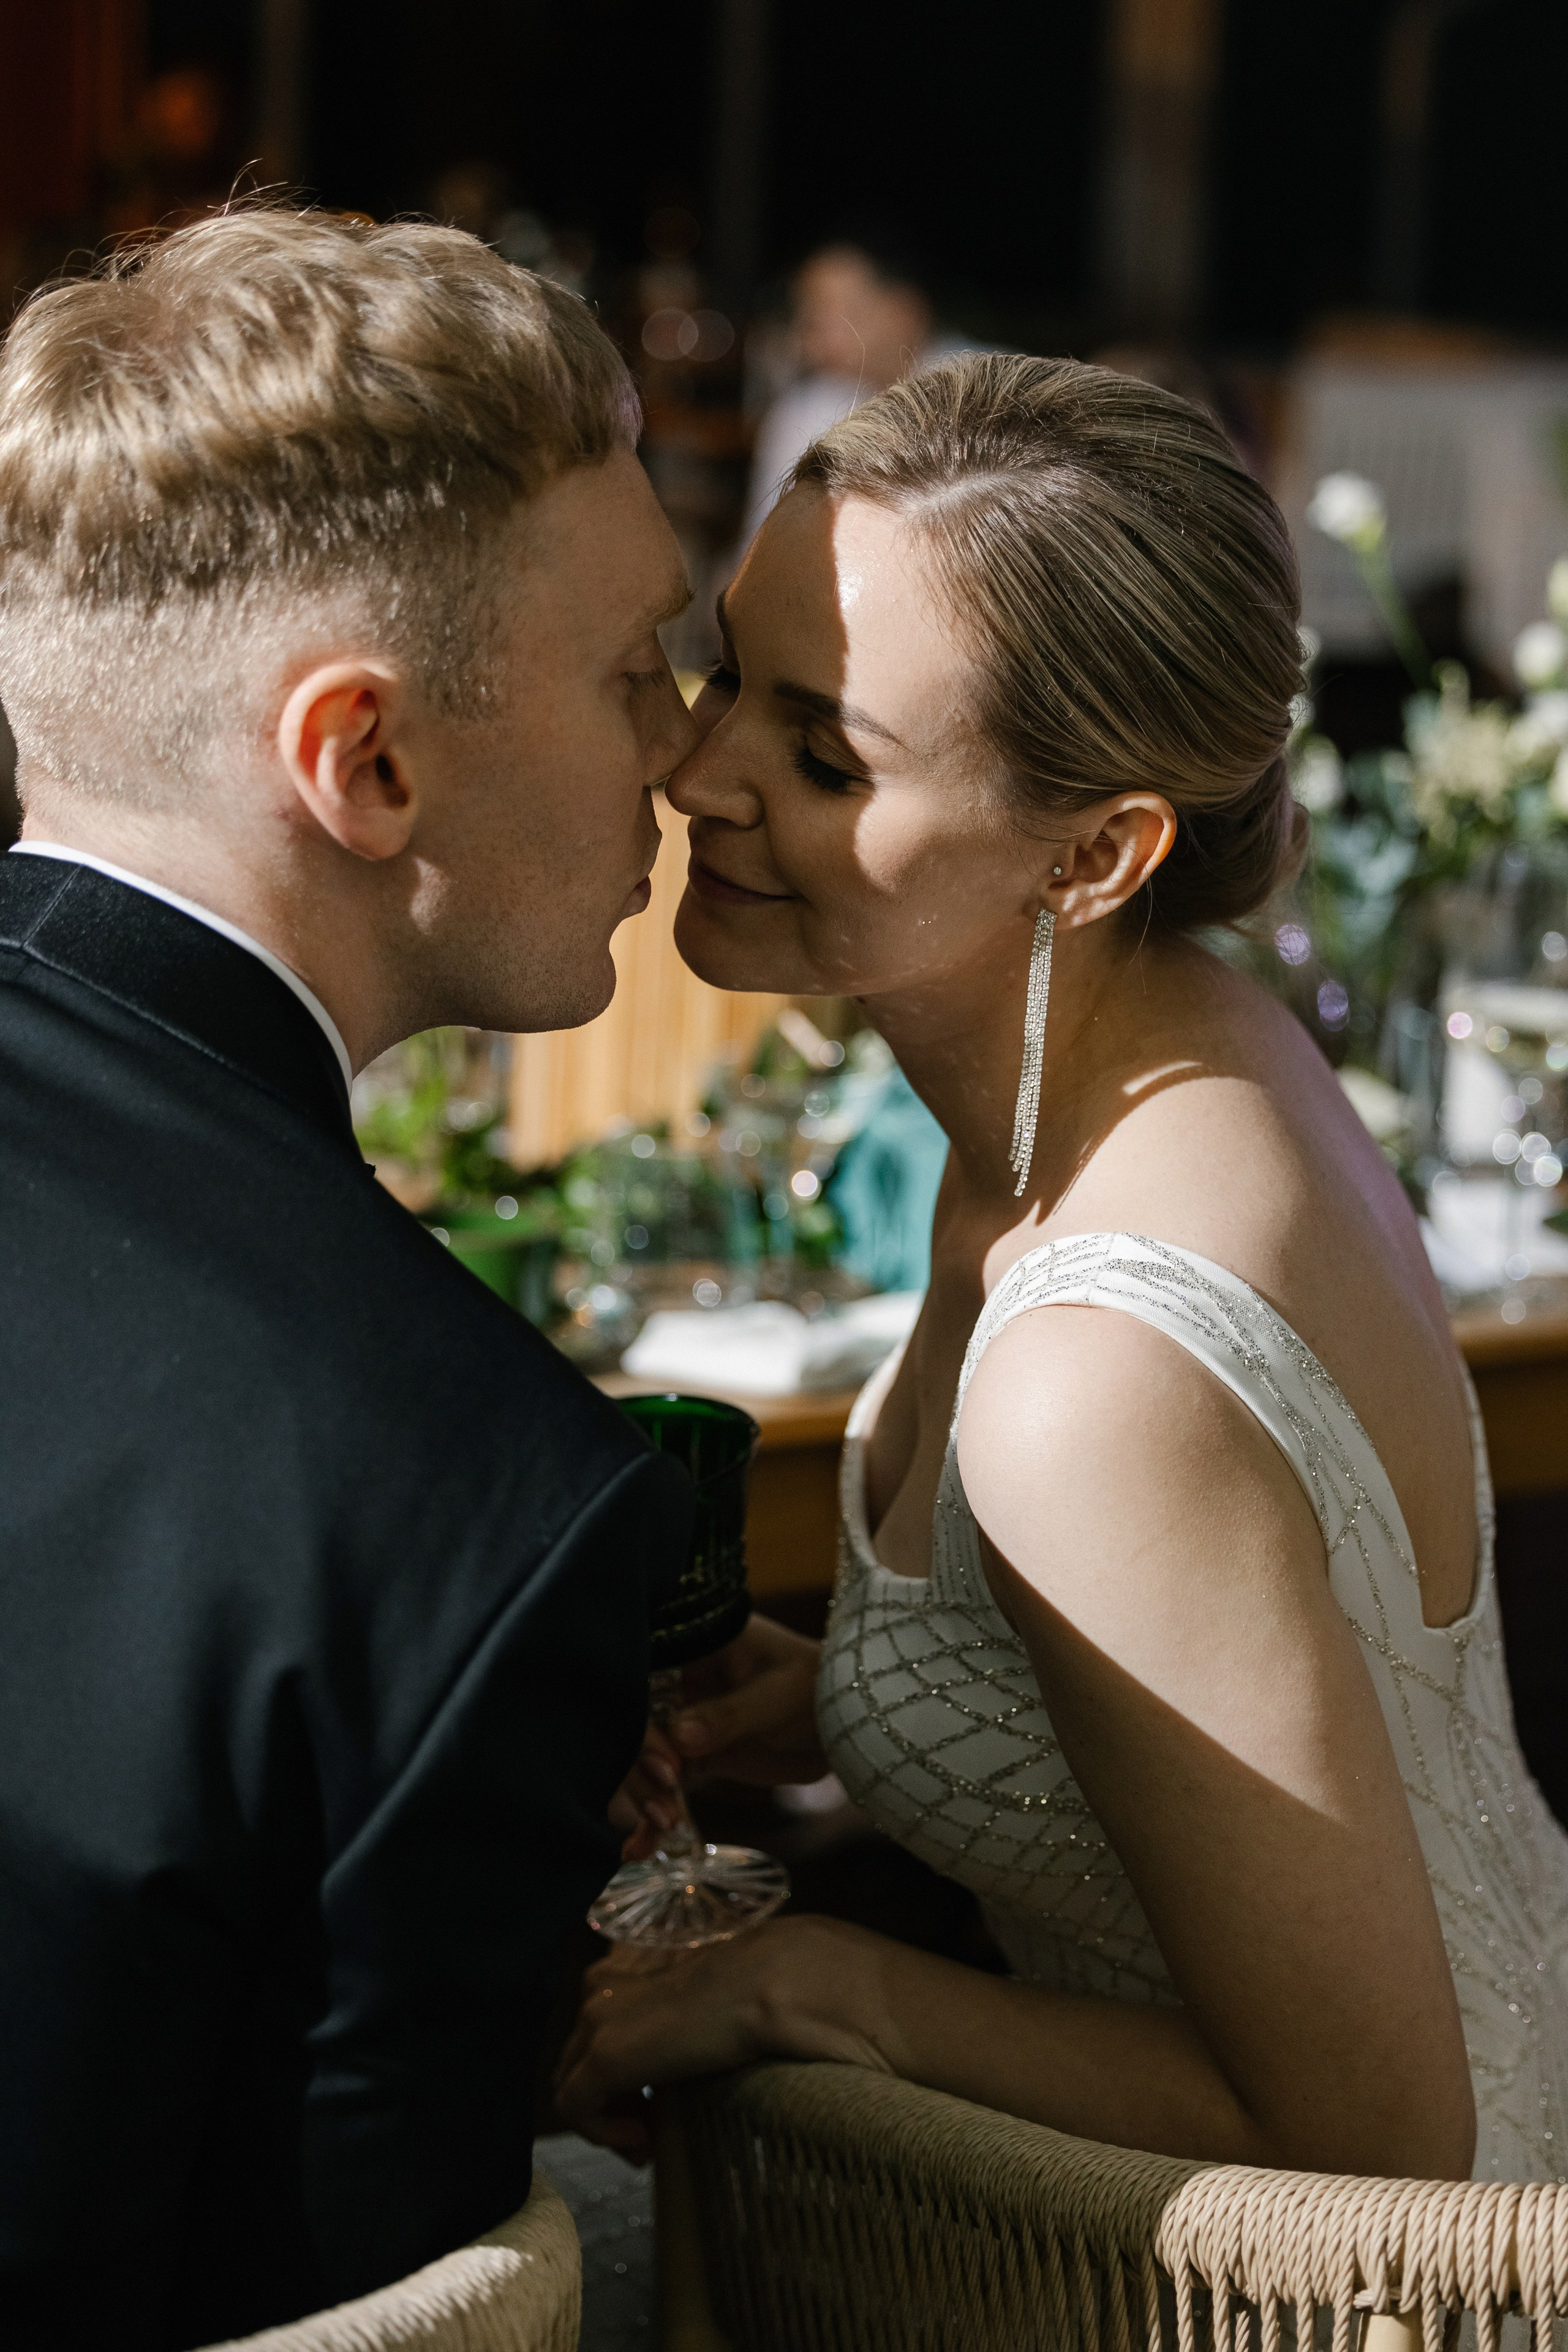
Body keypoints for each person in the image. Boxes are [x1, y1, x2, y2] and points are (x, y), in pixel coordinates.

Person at [557, 354, 1568, 2187]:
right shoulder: (1155, 1041)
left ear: (1096, 852)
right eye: (722, 670)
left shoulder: (1097, 1365)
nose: (695, 770)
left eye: (821, 750)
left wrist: (803, 1985)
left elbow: (1371, 2132)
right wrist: (839, 1691)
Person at [0, 206, 699, 2349]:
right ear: (367, 763)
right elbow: (383, 2298)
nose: (681, 741)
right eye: (631, 668)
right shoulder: (468, 1490)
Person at [740, 241, 970, 549]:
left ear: (905, 313)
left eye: (835, 317)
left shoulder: (989, 398)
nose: (812, 341)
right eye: (808, 319)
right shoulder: (808, 409)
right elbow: (764, 546)